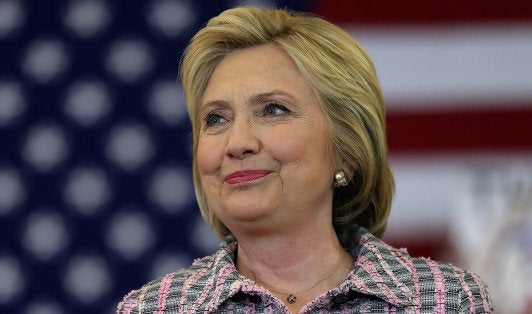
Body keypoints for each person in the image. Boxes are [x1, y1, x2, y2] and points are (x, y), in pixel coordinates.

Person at [117, 6, 493, 313]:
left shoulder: (447, 299)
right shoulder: (155, 307)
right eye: (216, 118)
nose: (237, 143)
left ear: (347, 149)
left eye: (273, 110)